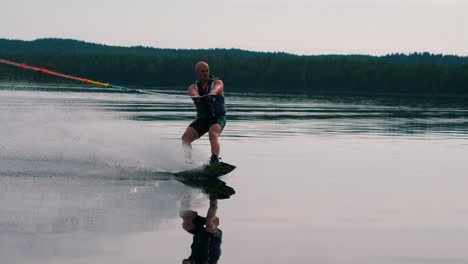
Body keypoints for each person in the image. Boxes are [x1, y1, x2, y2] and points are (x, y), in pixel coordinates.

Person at [181, 61, 226, 164]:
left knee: (212, 133)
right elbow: (193, 93)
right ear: (197, 73)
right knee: (185, 138)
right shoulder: (192, 87)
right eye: (202, 71)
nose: (205, 73)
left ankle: (214, 159)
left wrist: (212, 93)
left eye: (207, 70)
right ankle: (188, 162)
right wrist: (197, 97)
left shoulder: (218, 83)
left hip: (217, 118)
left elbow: (217, 89)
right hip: (203, 119)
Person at [180, 199, 222, 264]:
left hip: (200, 234)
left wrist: (187, 262)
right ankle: (213, 198)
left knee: (186, 224)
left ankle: (185, 196)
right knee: (209, 224)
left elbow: (186, 261)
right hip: (213, 236)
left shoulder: (194, 261)